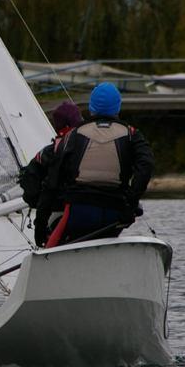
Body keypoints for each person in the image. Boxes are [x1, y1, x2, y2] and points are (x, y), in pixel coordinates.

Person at [35, 83, 154, 247]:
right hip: (115, 213)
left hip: (78, 211)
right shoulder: (132, 135)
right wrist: (131, 204)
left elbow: (52, 183)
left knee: (49, 245)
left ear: (91, 108)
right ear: (117, 108)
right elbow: (146, 166)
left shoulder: (73, 135)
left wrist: (39, 226)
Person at [18, 100, 83, 244]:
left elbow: (31, 192)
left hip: (53, 214)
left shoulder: (46, 153)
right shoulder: (86, 148)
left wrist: (39, 227)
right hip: (78, 213)